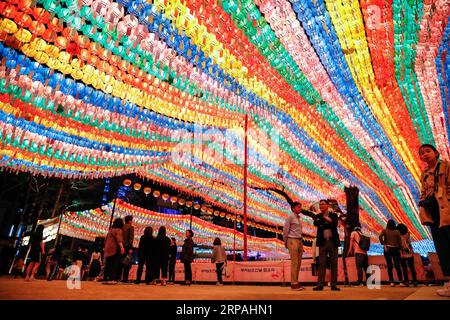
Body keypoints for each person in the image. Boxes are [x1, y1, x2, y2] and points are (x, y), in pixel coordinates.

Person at [418, 144, 450, 297]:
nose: (425, 155)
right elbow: (423, 191)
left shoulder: (446, 166)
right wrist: (424, 202)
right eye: (421, 153)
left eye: (427, 151)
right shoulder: (424, 173)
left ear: (436, 152)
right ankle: (449, 284)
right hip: (433, 213)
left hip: (447, 210)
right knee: (442, 248)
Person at [313, 200, 341, 291]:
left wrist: (326, 222)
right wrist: (327, 221)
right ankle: (320, 285)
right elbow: (316, 223)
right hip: (322, 242)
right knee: (322, 264)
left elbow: (334, 224)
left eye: (323, 204)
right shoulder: (317, 216)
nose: (321, 206)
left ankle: (334, 285)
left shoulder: (334, 215)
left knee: (334, 264)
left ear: (327, 205)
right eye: (320, 204)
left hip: (333, 242)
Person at [283, 201, 306, 290]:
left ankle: (296, 281)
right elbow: (285, 230)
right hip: (292, 240)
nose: (300, 208)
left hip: (299, 240)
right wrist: (286, 242)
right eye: (298, 207)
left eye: (300, 207)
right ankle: (293, 283)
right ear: (293, 208)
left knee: (299, 263)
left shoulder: (299, 218)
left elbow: (299, 231)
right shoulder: (290, 217)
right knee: (295, 262)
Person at [379, 220, 403, 286]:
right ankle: (400, 281)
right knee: (397, 265)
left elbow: (380, 236)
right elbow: (400, 242)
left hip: (387, 249)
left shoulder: (385, 230)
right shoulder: (397, 232)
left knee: (389, 266)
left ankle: (391, 282)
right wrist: (401, 249)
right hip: (396, 249)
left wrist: (383, 244)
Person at [103, 218, 125, 284]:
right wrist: (122, 247)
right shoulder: (119, 230)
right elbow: (119, 240)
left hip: (107, 248)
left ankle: (105, 279)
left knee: (108, 264)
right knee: (114, 264)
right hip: (114, 248)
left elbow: (105, 240)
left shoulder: (110, 230)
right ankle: (111, 279)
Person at [120, 215, 134, 284]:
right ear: (129, 221)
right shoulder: (131, 227)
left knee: (120, 262)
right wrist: (131, 248)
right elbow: (130, 238)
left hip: (120, 246)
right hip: (127, 246)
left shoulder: (121, 227)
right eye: (132, 220)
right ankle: (125, 279)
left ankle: (117, 277)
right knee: (127, 263)